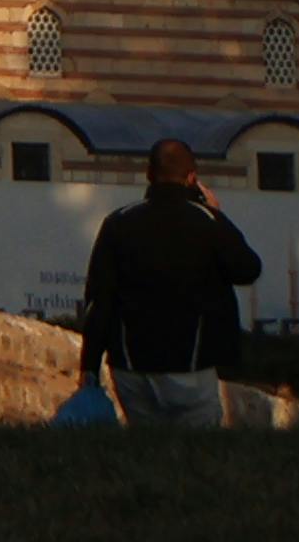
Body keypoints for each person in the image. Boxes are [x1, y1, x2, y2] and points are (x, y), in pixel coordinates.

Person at [73, 137, 263, 427]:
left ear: (149, 175)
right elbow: (247, 269)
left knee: (146, 449)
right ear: (192, 179)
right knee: (196, 454)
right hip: (189, 364)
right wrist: (216, 215)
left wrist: (89, 366)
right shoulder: (206, 221)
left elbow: (100, 300)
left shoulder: (118, 223)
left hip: (131, 366)